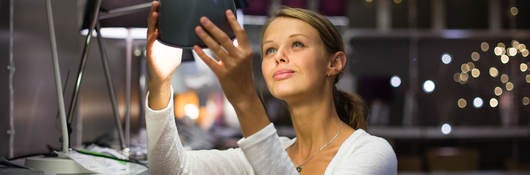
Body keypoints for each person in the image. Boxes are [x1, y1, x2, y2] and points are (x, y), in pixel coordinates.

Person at [145, 1, 397, 174]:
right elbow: (171, 170)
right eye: (270, 50)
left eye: (297, 44)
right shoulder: (261, 155)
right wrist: (160, 81)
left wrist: (245, 100)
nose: (279, 56)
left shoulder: (372, 153)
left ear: (334, 63)